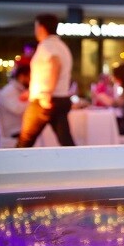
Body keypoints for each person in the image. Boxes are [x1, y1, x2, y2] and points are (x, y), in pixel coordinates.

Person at [17, 13, 75, 147]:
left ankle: (14, 167)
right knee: (66, 142)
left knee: (25, 140)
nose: (35, 30)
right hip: (59, 99)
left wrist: (47, 92)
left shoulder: (47, 46)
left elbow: (55, 64)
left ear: (41, 28)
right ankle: (75, 165)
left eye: (36, 27)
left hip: (44, 100)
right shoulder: (62, 46)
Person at [0, 65, 30, 137]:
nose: (31, 80)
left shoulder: (20, 90)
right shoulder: (9, 91)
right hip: (14, 131)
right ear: (22, 76)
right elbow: (18, 109)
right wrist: (33, 99)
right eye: (29, 77)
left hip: (21, 129)